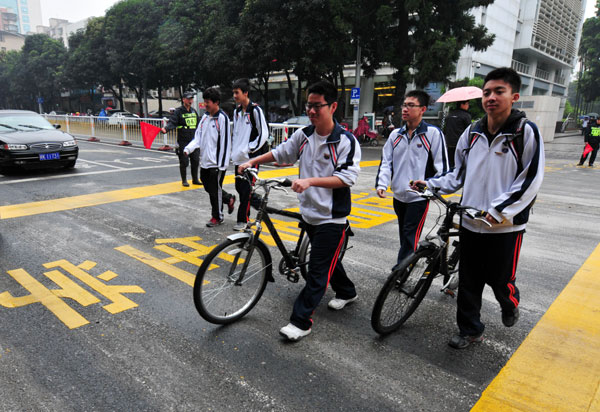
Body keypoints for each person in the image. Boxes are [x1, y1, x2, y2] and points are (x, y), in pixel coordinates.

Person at [411, 67, 545, 349]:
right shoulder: (471, 133)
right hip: (471, 222)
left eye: (499, 91)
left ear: (514, 96)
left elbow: (530, 179)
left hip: (506, 226)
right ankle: (470, 329)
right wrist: (431, 185)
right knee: (469, 281)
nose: (491, 97)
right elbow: (457, 174)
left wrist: (498, 211)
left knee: (500, 282)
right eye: (487, 92)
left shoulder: (525, 132)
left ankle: (509, 304)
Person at [238, 80, 361, 341]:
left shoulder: (345, 141)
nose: (312, 111)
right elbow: (282, 152)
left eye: (318, 106)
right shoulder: (304, 135)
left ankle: (300, 321)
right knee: (326, 261)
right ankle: (347, 291)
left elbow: (346, 178)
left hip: (332, 217)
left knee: (317, 272)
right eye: (309, 106)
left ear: (333, 106)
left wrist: (310, 181)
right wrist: (253, 160)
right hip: (309, 213)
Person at [376, 90, 448, 269]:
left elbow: (442, 167)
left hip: (418, 197)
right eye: (404, 105)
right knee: (405, 233)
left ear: (422, 109)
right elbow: (386, 162)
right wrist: (382, 184)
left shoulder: (432, 133)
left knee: (409, 234)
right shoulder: (395, 135)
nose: (405, 109)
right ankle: (408, 259)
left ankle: (400, 271)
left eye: (411, 105)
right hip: (399, 195)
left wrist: (434, 188)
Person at [184, 87, 235, 227]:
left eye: (208, 102)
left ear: (216, 102)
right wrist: (188, 149)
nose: (206, 104)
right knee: (208, 186)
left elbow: (225, 143)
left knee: (214, 191)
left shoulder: (222, 119)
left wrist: (221, 165)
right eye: (205, 101)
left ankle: (217, 217)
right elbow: (198, 138)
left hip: (217, 164)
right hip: (205, 161)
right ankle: (228, 198)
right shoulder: (205, 117)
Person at [231, 78, 270, 231]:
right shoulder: (236, 112)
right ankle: (260, 203)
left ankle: (244, 220)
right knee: (240, 189)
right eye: (233, 93)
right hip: (238, 159)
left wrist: (249, 149)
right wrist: (234, 152)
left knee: (246, 191)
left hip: (251, 159)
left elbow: (263, 133)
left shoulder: (255, 110)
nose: (234, 96)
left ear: (245, 93)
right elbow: (236, 134)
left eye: (237, 93)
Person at [161, 91, 200, 187]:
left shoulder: (194, 111)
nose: (190, 101)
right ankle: (184, 180)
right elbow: (172, 122)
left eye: (191, 99)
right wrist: (166, 129)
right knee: (184, 161)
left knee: (195, 161)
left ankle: (195, 179)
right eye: (188, 99)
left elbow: (199, 124)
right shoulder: (178, 111)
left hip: (194, 141)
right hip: (183, 141)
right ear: (183, 100)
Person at [444, 100, 471, 168]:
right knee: (460, 163)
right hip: (460, 144)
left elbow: (445, 129)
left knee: (450, 163)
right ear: (462, 104)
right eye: (467, 104)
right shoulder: (466, 116)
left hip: (449, 143)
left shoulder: (449, 115)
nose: (468, 106)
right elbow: (468, 130)